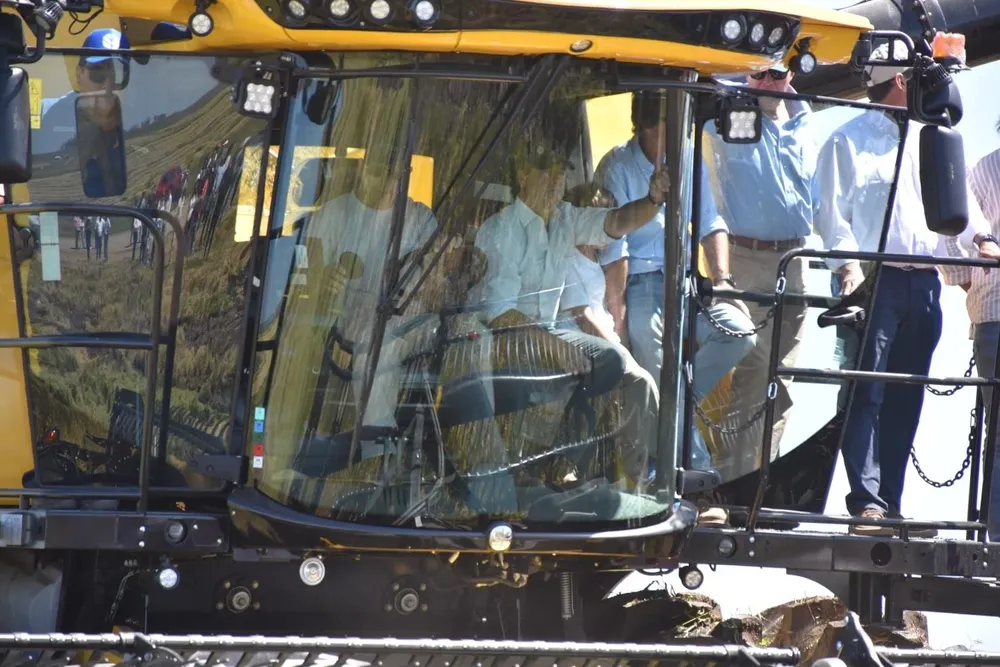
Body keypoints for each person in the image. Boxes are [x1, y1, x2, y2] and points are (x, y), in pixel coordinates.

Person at [814, 42, 1000, 536]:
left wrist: (983, 239)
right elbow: (833, 219)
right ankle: (868, 505)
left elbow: (956, 210)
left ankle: (889, 505)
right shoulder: (847, 139)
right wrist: (848, 271)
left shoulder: (933, 139)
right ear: (901, 82)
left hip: (924, 283)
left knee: (906, 395)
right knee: (867, 391)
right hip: (876, 281)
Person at [473, 127, 672, 489]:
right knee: (558, 368)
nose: (555, 181)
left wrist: (653, 200)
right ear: (522, 175)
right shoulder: (502, 229)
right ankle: (523, 471)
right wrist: (556, 347)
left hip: (550, 331)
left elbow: (614, 222)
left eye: (560, 172)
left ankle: (567, 463)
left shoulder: (565, 217)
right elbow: (501, 314)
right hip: (504, 337)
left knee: (608, 362)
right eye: (545, 172)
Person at [700, 65, 817, 481]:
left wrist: (846, 267)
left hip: (796, 260)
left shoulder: (805, 121)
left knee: (782, 383)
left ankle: (762, 481)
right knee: (753, 375)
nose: (767, 83)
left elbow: (814, 198)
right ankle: (733, 484)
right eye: (758, 75)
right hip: (745, 256)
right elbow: (705, 78)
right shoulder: (726, 118)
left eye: (776, 73)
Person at [947, 143, 1000, 541]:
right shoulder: (984, 169)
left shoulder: (983, 169)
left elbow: (950, 236)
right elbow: (951, 237)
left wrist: (973, 285)